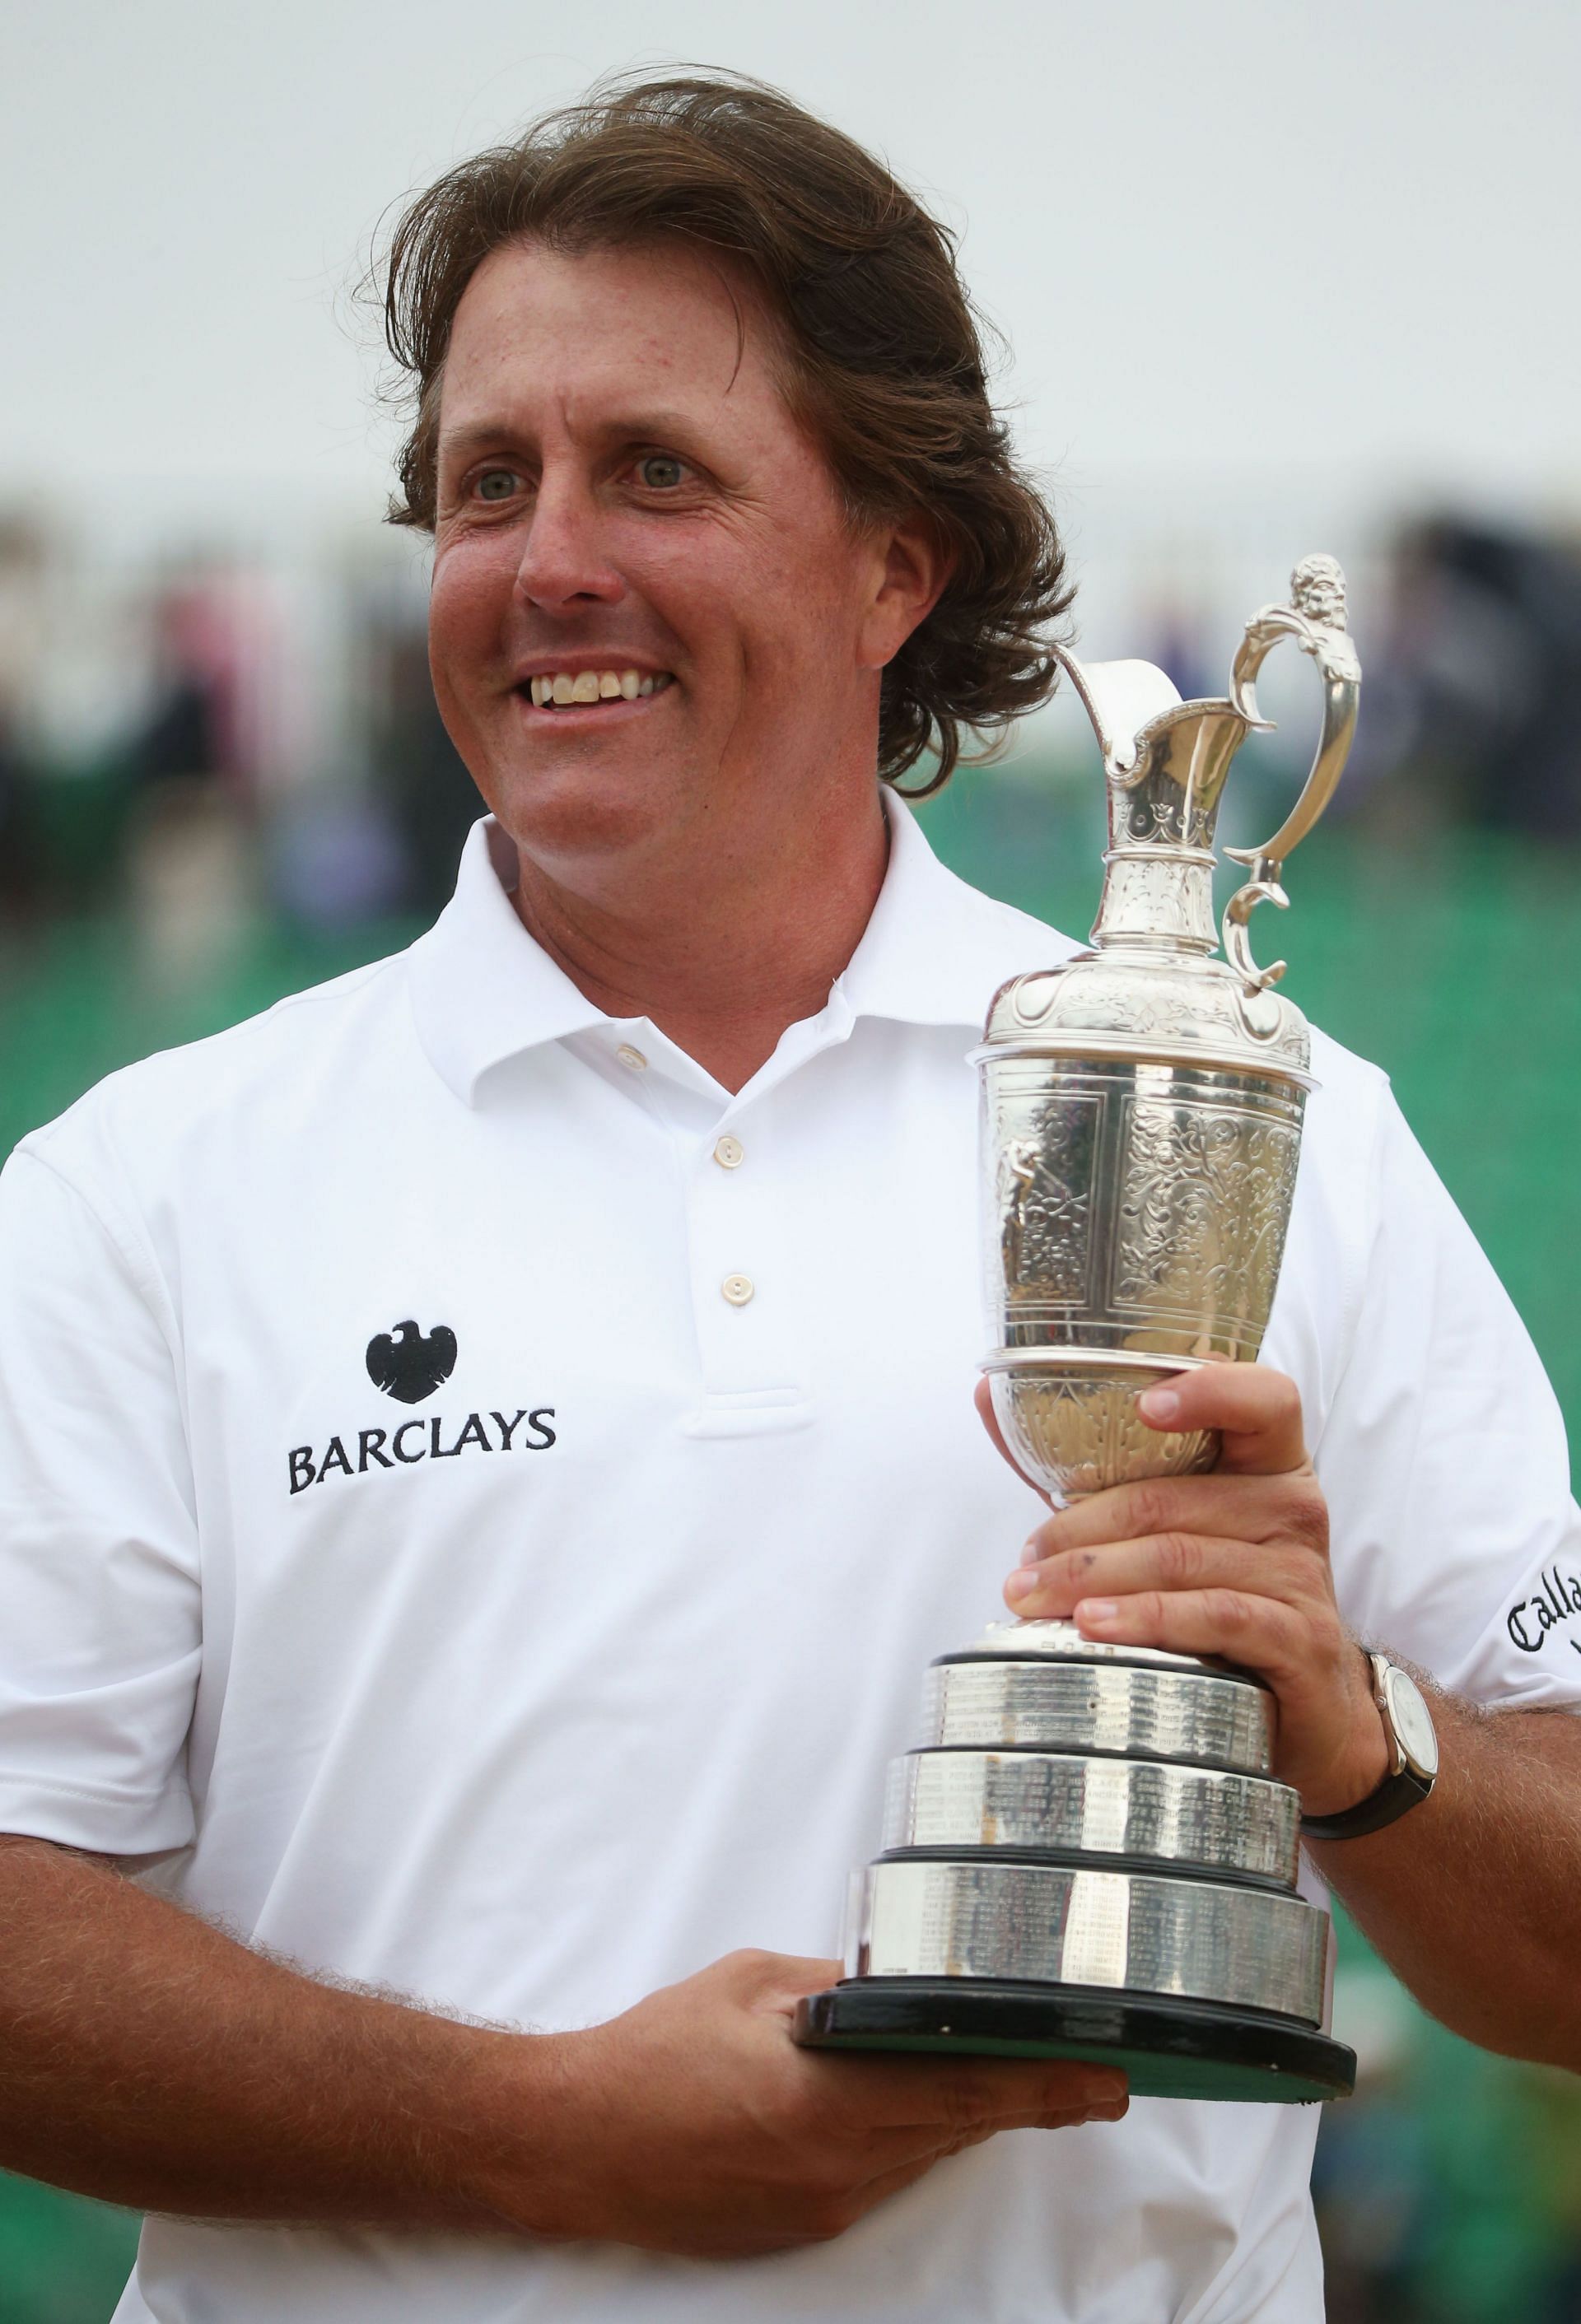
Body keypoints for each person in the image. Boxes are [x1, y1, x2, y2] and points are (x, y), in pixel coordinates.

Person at [1, 73, 1578, 2324]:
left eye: (657, 469)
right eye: (483, 482)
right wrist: (529, 2133)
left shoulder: (1255, 1108)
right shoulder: (145, 1191)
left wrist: (1359, 1726)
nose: (550, 558)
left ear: (893, 566)